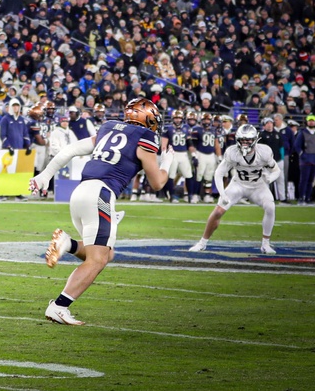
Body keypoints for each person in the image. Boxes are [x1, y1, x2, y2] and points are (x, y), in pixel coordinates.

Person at [30, 98, 169, 326]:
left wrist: (45, 175)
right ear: (149, 119)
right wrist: (168, 164)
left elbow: (72, 149)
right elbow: (157, 183)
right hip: (100, 195)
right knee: (98, 259)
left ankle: (68, 244)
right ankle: (59, 307)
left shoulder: (108, 127)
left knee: (106, 254)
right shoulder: (145, 136)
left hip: (80, 193)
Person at [189, 124, 281, 255]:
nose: (245, 143)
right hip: (238, 185)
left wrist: (270, 178)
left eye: (248, 140)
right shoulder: (232, 152)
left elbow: (276, 170)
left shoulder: (264, 152)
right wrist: (222, 194)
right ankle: (202, 243)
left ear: (255, 139)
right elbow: (219, 173)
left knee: (270, 207)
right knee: (218, 211)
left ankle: (265, 244)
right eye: (242, 140)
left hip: (258, 186)